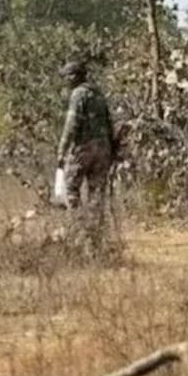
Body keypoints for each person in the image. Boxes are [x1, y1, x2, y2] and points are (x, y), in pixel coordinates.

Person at [56, 61, 116, 260]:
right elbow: (109, 123)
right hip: (103, 149)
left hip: (84, 148)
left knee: (70, 188)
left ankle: (80, 229)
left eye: (67, 76)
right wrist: (113, 150)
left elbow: (72, 124)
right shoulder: (98, 94)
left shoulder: (78, 94)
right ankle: (96, 239)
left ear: (74, 76)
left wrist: (62, 151)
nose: (65, 80)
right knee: (96, 194)